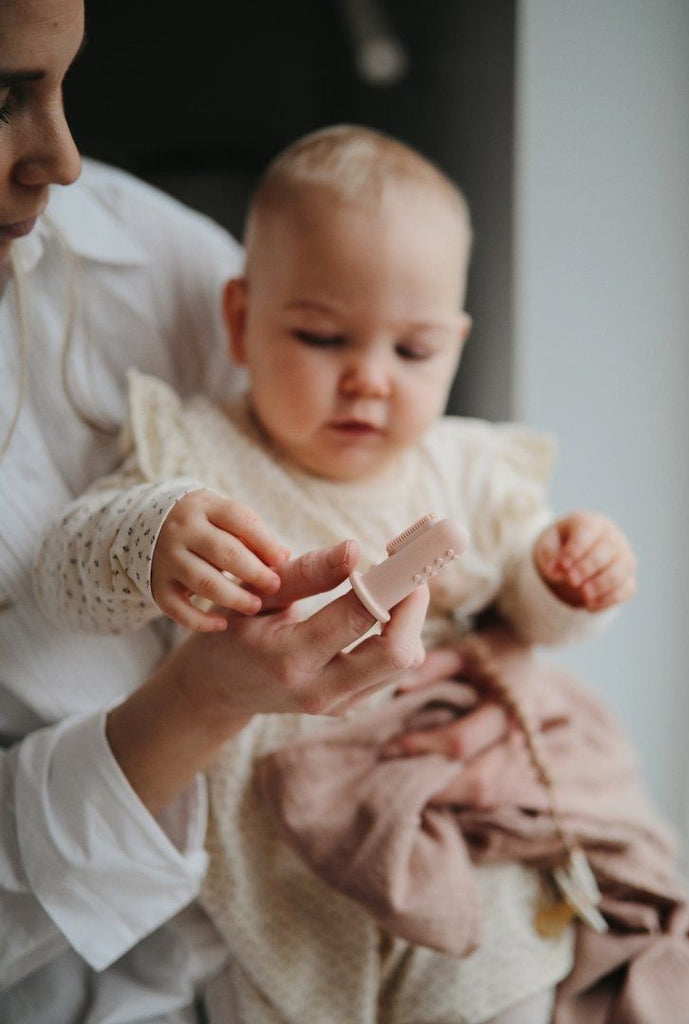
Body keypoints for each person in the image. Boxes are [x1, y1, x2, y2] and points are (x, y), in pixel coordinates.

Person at [34, 125, 640, 1024]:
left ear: (457, 346)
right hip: (279, 836)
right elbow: (60, 577)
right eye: (323, 336)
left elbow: (526, 607)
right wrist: (144, 543)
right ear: (241, 322)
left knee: (504, 986)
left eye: (413, 352)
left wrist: (565, 578)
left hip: (445, 813)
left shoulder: (464, 466)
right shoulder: (192, 453)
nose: (368, 380)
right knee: (273, 990)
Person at [0, 5, 431, 1023]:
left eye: (64, 83)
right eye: (4, 95)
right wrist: (199, 699)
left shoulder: (163, 257)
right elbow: (78, 555)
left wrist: (556, 582)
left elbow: (482, 518)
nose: (62, 160)